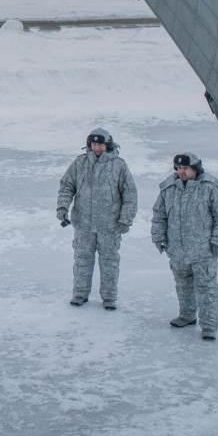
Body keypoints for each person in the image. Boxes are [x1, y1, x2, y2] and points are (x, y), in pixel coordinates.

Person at [151, 152, 218, 340]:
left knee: (207, 288)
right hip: (178, 250)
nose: (181, 171)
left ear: (195, 169)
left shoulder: (209, 189)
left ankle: (209, 325)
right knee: (183, 285)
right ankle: (187, 316)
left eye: (185, 168)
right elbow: (159, 215)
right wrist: (159, 237)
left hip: (203, 251)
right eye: (179, 168)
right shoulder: (168, 189)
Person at [56, 128, 138, 310]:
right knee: (82, 260)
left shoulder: (119, 165)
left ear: (107, 144)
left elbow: (130, 194)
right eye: (93, 144)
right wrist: (63, 206)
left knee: (109, 261)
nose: (96, 148)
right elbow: (67, 186)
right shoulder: (80, 163)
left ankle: (109, 297)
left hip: (110, 225)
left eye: (100, 144)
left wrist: (125, 219)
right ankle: (80, 293)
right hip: (83, 223)